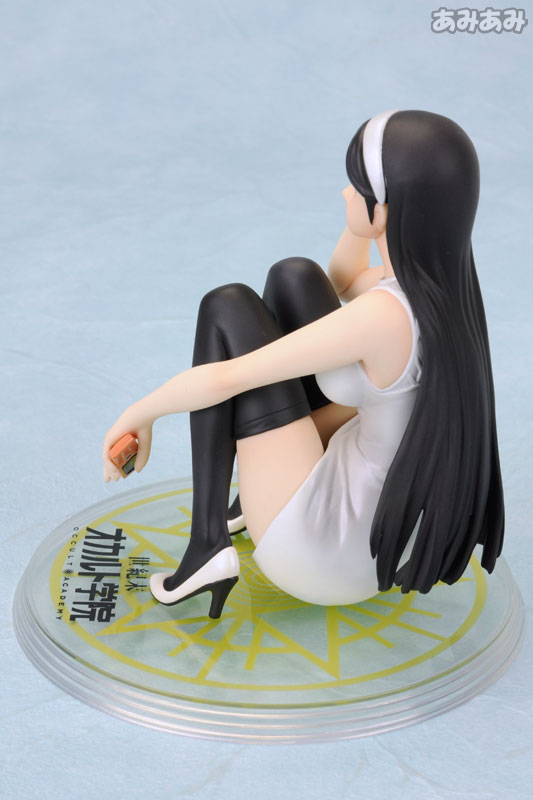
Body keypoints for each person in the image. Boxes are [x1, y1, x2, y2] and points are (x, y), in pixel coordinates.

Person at [102, 110, 505, 619]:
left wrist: (140, 412)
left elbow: (227, 379)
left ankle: (207, 543)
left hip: (322, 551)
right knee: (295, 276)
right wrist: (371, 219)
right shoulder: (441, 292)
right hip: (380, 532)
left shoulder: (383, 317)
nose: (345, 194)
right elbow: (342, 279)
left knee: (228, 307)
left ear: (384, 209)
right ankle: (247, 503)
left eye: (357, 187)